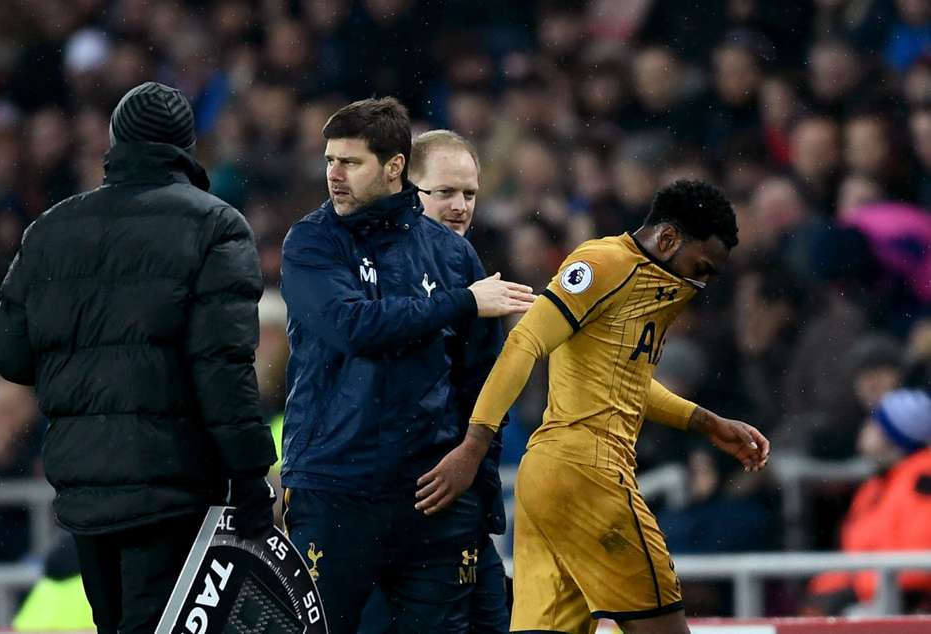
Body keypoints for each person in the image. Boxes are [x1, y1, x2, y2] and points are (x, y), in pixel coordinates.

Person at [0, 82, 277, 634]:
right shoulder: (214, 225)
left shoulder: (49, 230)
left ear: (115, 144)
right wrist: (250, 475)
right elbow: (223, 368)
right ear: (185, 147)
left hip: (84, 489)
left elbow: (7, 353)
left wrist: (80, 357)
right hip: (175, 488)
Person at [417, 180, 771, 634]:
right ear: (667, 240)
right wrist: (474, 443)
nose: (699, 284)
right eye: (699, 267)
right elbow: (526, 341)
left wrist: (704, 421)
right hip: (592, 474)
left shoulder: (645, 285)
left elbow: (624, 382)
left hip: (549, 480)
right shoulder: (604, 263)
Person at [280, 98, 535, 634]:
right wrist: (462, 301)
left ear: (394, 166)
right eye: (330, 160)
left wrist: (473, 462)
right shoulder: (311, 242)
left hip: (432, 496)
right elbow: (353, 328)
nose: (334, 174)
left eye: (350, 162)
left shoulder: (452, 255)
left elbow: (482, 379)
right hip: (336, 489)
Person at [357, 129, 510, 634]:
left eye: (469, 193)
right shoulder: (371, 273)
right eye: (444, 192)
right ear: (406, 190)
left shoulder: (471, 269)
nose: (460, 206)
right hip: (398, 508)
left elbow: (485, 391)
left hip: (460, 506)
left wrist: (474, 472)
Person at [807, 388, 931, 615]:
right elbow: (856, 555)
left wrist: (855, 590)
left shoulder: (922, 481)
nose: (865, 429)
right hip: (874, 596)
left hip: (902, 606)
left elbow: (917, 568)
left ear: (893, 436)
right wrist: (823, 591)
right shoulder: (879, 482)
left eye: (874, 424)